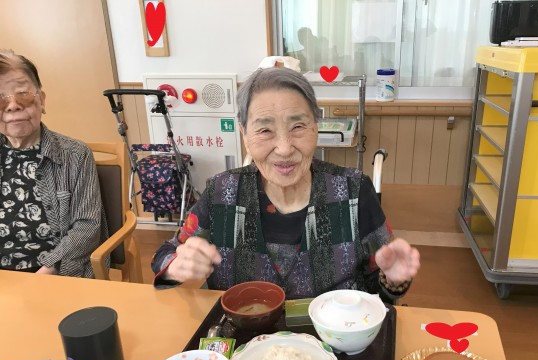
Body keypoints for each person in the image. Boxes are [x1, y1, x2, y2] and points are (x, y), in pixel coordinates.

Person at [152, 67, 420, 302]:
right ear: (245, 135)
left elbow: (379, 291)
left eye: (298, 127)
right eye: (265, 130)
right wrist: (177, 265)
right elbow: (165, 254)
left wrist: (393, 279)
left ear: (316, 127)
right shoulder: (221, 193)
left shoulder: (354, 191)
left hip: (335, 340)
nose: (284, 148)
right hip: (240, 340)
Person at [0, 49, 107, 277]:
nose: (12, 105)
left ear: (41, 99)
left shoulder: (75, 154)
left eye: (23, 94)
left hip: (56, 274)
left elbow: (87, 226)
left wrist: (46, 273)